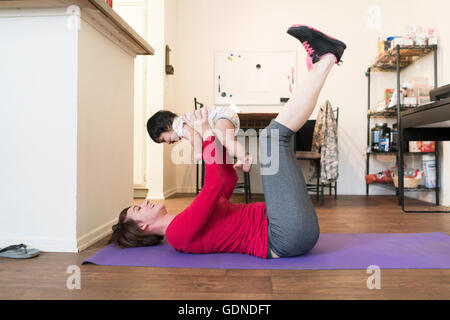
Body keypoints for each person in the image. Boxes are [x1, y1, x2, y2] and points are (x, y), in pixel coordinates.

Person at [110, 25, 346, 259]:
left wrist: (217, 149)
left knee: (275, 139)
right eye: (138, 208)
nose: (146, 202)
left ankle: (323, 62)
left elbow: (224, 184)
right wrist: (207, 134)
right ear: (142, 227)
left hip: (288, 223)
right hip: (284, 235)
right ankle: (325, 59)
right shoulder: (177, 234)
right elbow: (212, 186)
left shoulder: (186, 217)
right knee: (272, 139)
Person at [147, 106, 253, 172]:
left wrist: (198, 153)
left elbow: (195, 137)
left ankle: (245, 158)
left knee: (226, 141)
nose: (168, 143)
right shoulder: (180, 123)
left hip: (221, 116)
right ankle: (241, 157)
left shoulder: (178, 126)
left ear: (166, 127)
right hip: (224, 116)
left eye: (164, 139)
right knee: (226, 144)